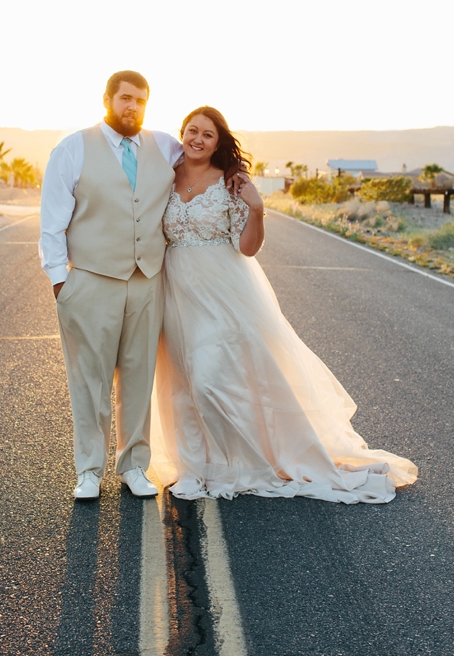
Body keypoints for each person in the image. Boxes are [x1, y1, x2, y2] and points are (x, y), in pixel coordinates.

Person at [147, 107, 416, 503]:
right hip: (175, 288)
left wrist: (256, 208)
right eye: (192, 131)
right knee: (181, 381)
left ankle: (231, 465)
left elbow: (248, 247)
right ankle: (192, 467)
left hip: (222, 289)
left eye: (208, 134)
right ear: (182, 133)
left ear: (218, 143)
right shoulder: (165, 176)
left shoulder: (231, 182)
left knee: (210, 380)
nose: (198, 139)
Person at [40, 70, 182, 500]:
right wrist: (60, 282)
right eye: (124, 98)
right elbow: (52, 222)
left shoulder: (165, 146)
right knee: (90, 380)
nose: (132, 107)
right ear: (107, 100)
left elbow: (203, 159)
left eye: (140, 100)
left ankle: (135, 466)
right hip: (91, 281)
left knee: (139, 376)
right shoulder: (73, 149)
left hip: (146, 282)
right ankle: (88, 470)